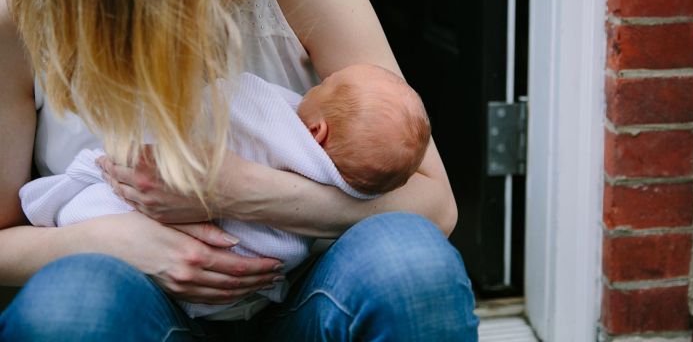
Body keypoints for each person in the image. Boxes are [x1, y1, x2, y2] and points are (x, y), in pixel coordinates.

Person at [0, 0, 479, 340]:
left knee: (411, 269)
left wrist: (241, 192)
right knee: (67, 312)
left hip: (307, 296)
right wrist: (109, 241)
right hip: (140, 305)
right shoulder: (19, 11)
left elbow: (435, 205)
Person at [19, 63, 432, 319]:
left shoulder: (273, 118)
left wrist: (238, 189)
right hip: (205, 288)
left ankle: (65, 205)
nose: (315, 84)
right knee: (65, 306)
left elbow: (225, 104)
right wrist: (98, 239)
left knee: (410, 258)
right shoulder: (354, 178)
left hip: (280, 302)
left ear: (315, 132)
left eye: (323, 84)